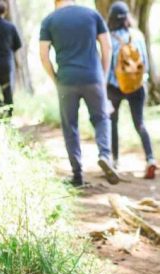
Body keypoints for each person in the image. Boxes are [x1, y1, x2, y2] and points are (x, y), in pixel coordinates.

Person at [40, 0, 120, 187]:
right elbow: (107, 46)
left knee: (70, 126)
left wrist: (55, 79)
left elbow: (43, 56)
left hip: (66, 80)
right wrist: (104, 75)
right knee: (101, 119)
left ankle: (77, 175)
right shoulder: (92, 15)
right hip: (93, 78)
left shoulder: (49, 20)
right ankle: (105, 155)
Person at [107, 1, 156, 179]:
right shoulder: (137, 35)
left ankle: (114, 160)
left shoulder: (108, 38)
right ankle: (150, 159)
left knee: (112, 122)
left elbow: (106, 67)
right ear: (127, 17)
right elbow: (146, 65)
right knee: (140, 123)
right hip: (136, 86)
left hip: (114, 87)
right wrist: (143, 80)